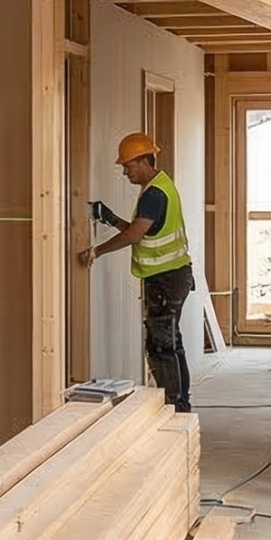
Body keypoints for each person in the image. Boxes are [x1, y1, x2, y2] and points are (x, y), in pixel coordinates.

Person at [76, 132, 195, 412]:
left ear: (143, 161)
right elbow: (140, 231)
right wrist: (112, 218)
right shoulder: (160, 186)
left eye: (128, 166)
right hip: (173, 276)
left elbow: (133, 236)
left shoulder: (154, 194)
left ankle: (174, 407)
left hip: (166, 280)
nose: (125, 172)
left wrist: (97, 251)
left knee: (160, 348)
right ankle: (180, 404)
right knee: (171, 343)